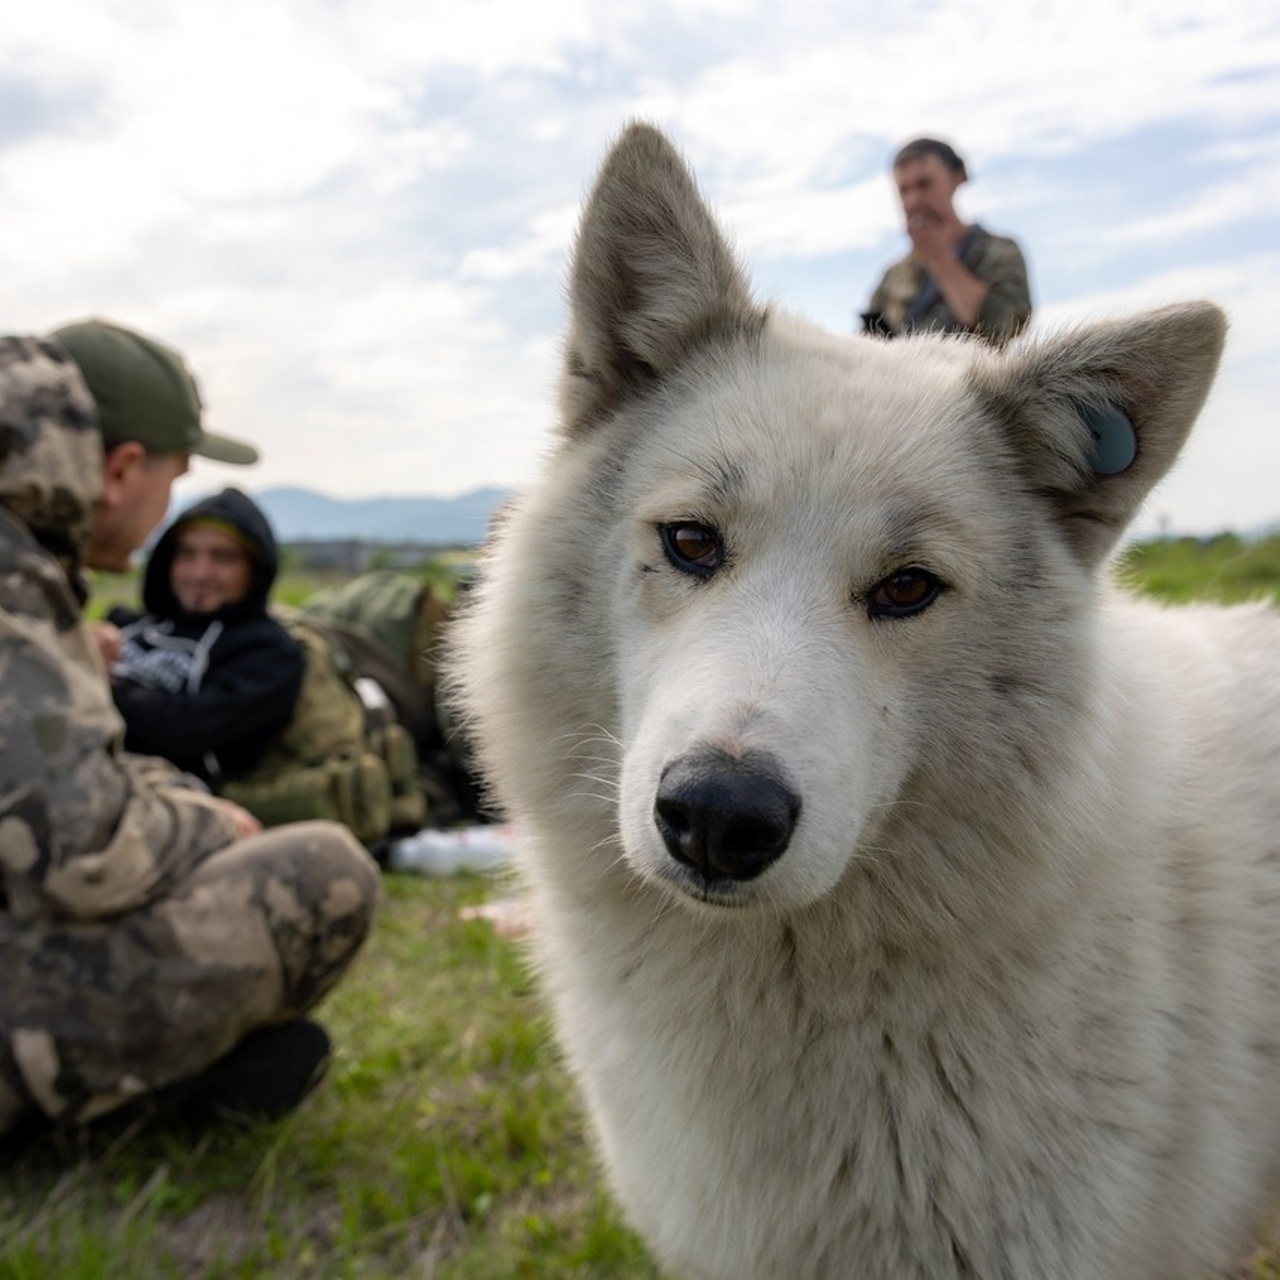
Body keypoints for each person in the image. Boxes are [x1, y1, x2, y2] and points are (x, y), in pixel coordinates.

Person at [0, 318, 380, 1140]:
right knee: (327, 875)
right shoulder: (19, 584)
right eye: (173, 479)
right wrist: (209, 824)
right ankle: (122, 1098)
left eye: (225, 559)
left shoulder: (260, 649)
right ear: (122, 470)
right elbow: (81, 847)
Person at [101, 488, 305, 789]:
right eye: (187, 554)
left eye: (222, 557)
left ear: (255, 568)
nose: (200, 573)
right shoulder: (125, 624)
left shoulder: (267, 655)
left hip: (166, 799)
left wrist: (88, 675)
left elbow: (181, 731)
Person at [862, 137, 1032, 346]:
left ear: (956, 179)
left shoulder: (999, 252)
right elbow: (866, 349)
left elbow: (1004, 327)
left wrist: (939, 259)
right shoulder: (893, 276)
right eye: (904, 190)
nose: (914, 201)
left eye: (925, 185)